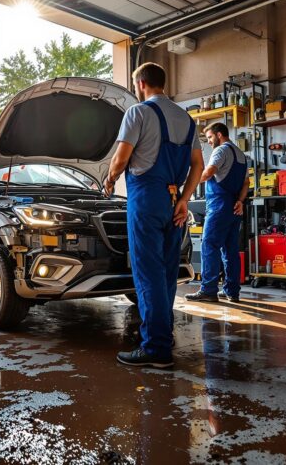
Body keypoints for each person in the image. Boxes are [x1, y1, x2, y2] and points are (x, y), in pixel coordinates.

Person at [103, 62, 204, 368]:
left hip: (147, 200)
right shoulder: (186, 119)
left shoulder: (138, 112)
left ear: (142, 83)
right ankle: (163, 334)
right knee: (166, 273)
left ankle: (156, 348)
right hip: (174, 203)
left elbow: (120, 159)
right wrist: (184, 200)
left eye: (136, 85)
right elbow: (197, 166)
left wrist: (108, 180)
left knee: (148, 274)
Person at [186, 121, 248, 304]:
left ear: (220, 134)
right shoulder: (241, 155)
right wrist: (240, 201)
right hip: (234, 207)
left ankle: (209, 290)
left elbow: (208, 172)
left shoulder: (221, 151)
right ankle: (232, 291)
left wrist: (190, 184)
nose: (209, 141)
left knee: (209, 245)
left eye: (210, 137)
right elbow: (246, 183)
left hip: (219, 205)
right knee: (230, 250)